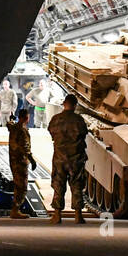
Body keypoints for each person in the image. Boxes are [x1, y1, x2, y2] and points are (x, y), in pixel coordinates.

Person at [46, 94, 88, 224]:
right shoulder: (79, 120)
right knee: (76, 185)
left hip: (60, 157)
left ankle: (57, 215)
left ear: (64, 104)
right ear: (75, 106)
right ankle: (78, 215)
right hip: (75, 157)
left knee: (58, 185)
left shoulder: (56, 119)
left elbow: (51, 133)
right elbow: (83, 134)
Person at [7, 109, 36, 219]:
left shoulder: (13, 128)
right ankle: (15, 210)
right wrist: (32, 160)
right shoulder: (22, 131)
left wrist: (11, 120)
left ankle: (15, 209)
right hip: (20, 161)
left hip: (13, 160)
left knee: (17, 185)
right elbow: (25, 147)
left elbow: (9, 125)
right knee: (22, 187)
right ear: (26, 118)